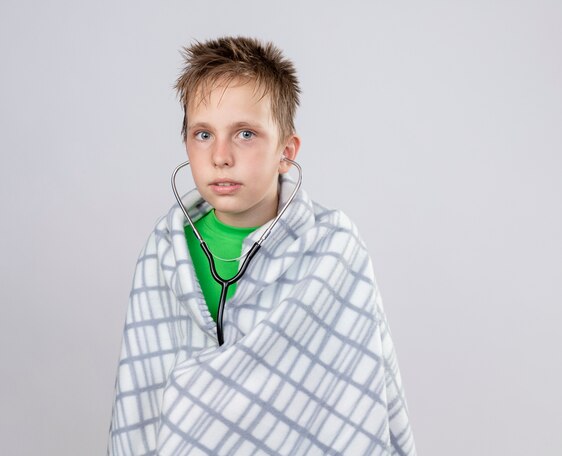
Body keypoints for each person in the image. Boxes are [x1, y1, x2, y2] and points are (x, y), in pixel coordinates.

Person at [108, 36, 416, 456]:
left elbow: (365, 392)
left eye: (246, 134)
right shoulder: (162, 255)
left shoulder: (332, 250)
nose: (220, 156)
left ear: (286, 152)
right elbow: (139, 397)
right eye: (203, 134)